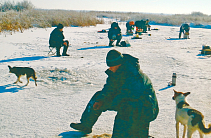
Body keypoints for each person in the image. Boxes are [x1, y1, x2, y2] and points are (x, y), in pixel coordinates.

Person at [70, 49, 159, 138]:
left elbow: (127, 96)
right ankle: (86, 124)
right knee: (99, 96)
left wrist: (106, 103)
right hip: (127, 103)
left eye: (112, 66)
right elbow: (109, 88)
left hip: (145, 108)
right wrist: (101, 100)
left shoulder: (134, 76)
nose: (110, 68)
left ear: (119, 64)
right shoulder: (116, 72)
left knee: (126, 112)